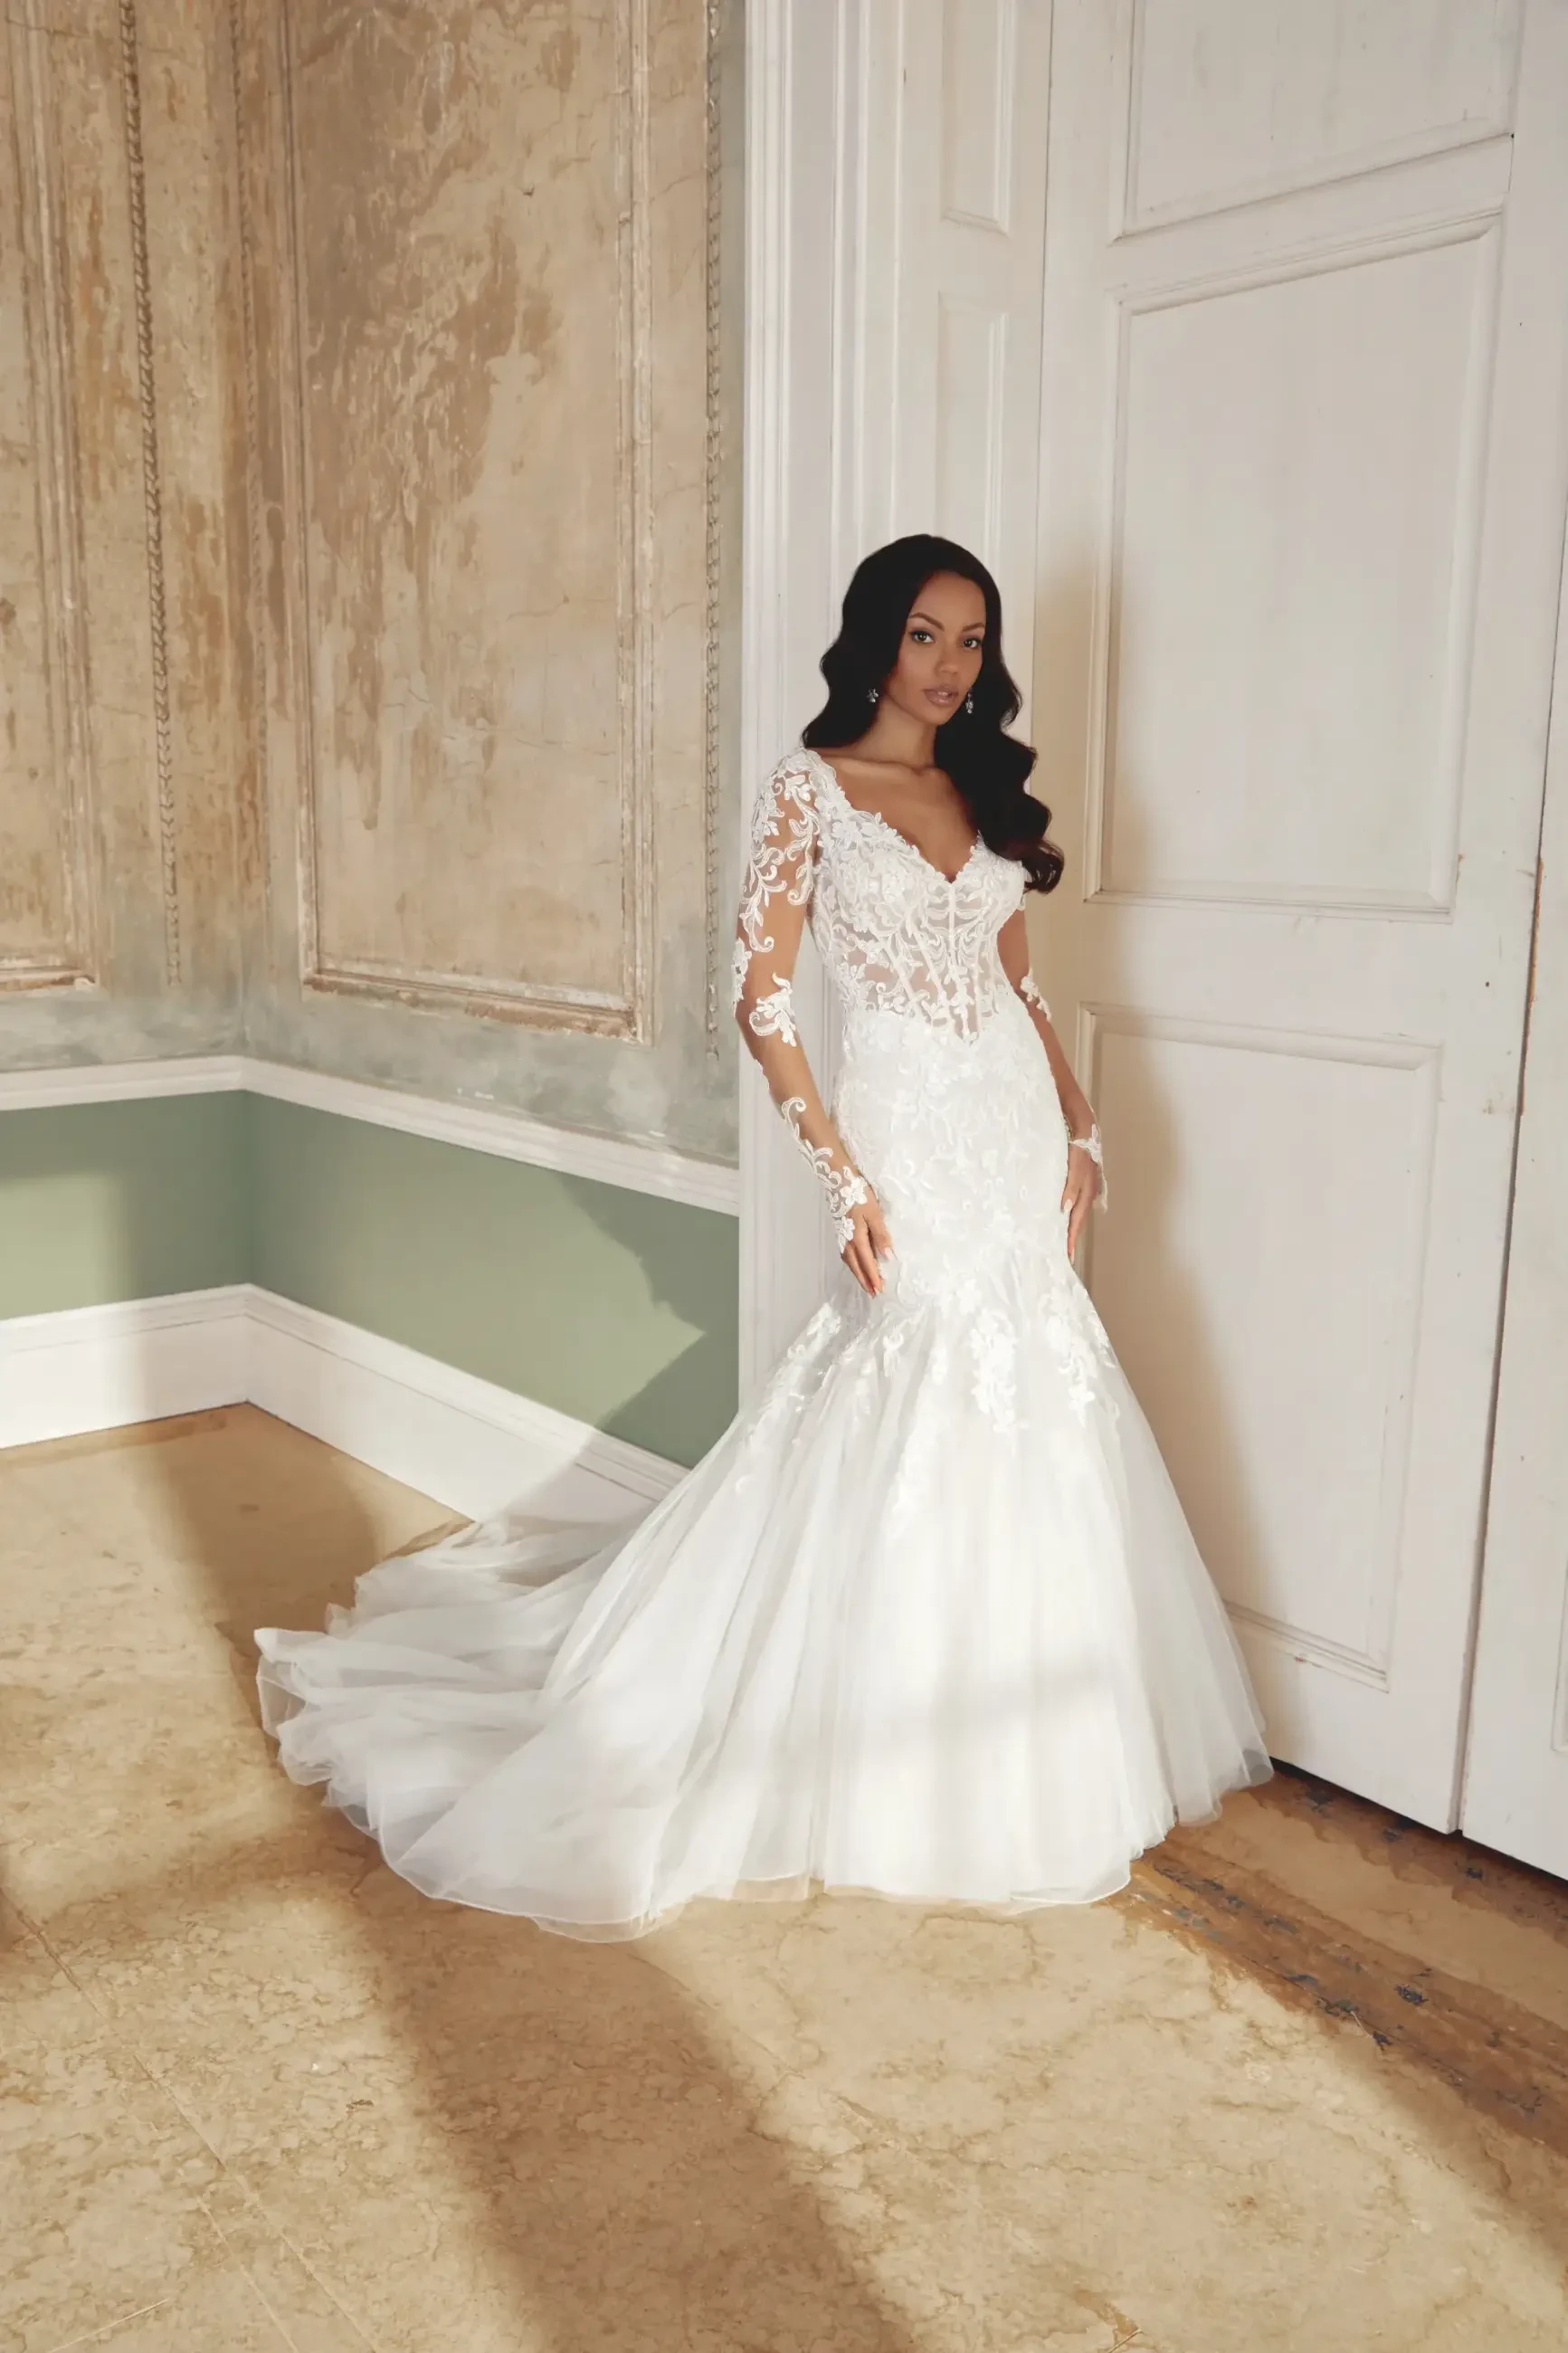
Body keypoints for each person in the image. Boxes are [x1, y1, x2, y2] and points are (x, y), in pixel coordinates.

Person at [255, 533, 1272, 1939]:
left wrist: (1083, 1125)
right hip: (906, 1129)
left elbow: (1019, 983)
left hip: (1015, 1135)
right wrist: (845, 1177)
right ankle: (873, 1732)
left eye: (973, 640)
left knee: (1035, 1381)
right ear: (875, 639)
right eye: (926, 635)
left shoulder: (979, 786)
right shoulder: (814, 788)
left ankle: (1030, 1733)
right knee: (911, 1378)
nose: (952, 665)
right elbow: (764, 998)